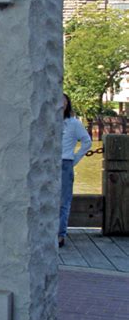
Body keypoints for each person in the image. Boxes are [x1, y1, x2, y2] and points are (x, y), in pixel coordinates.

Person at [59, 93, 92, 248]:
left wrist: (74, 159)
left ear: (67, 104)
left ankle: (60, 234)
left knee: (63, 201)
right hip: (47, 165)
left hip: (65, 163)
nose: (60, 104)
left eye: (63, 101)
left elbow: (87, 142)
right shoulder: (47, 122)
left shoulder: (74, 124)